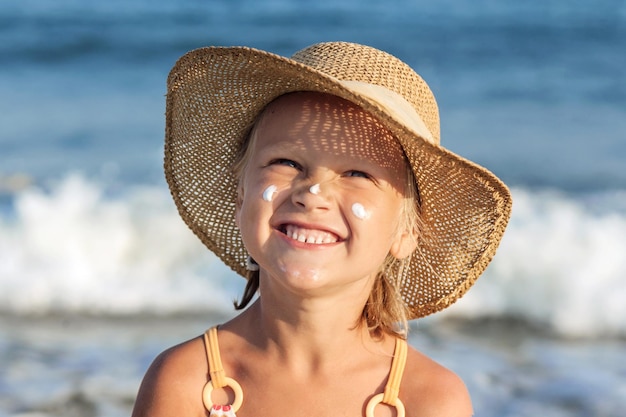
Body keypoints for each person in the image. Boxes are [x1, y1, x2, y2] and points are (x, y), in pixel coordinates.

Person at [132, 42, 512, 417]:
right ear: (240, 195)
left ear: (406, 232)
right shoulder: (187, 383)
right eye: (286, 162)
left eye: (357, 174)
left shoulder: (427, 400)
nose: (313, 195)